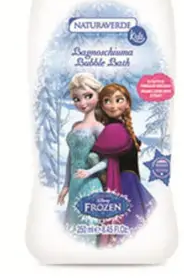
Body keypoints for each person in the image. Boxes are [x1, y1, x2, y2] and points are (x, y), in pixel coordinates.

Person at [75, 83, 156, 246]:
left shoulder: (120, 127)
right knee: (132, 224)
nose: (113, 106)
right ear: (102, 105)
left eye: (118, 100)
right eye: (107, 101)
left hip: (129, 181)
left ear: (127, 103)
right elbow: (99, 157)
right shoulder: (113, 129)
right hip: (124, 182)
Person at [56, 73, 104, 245]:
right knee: (73, 223)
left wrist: (89, 171)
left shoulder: (98, 128)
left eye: (88, 96)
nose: (82, 103)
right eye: (76, 99)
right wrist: (66, 185)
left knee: (87, 223)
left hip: (90, 183)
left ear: (98, 95)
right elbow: (71, 157)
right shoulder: (75, 126)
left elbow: (109, 160)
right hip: (75, 183)